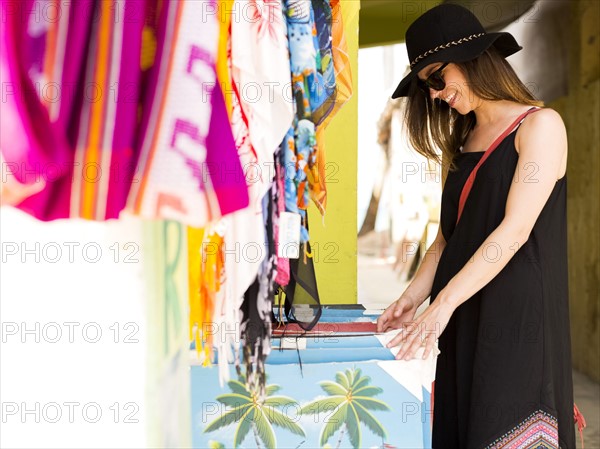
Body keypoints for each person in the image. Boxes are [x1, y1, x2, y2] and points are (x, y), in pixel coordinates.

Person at [376, 4, 577, 448]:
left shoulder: (540, 127)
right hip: (464, 315)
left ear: (471, 60)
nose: (433, 94)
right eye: (424, 85)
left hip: (516, 323)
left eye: (435, 78)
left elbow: (515, 230)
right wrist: (412, 298)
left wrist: (441, 305)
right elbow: (450, 236)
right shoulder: (462, 141)